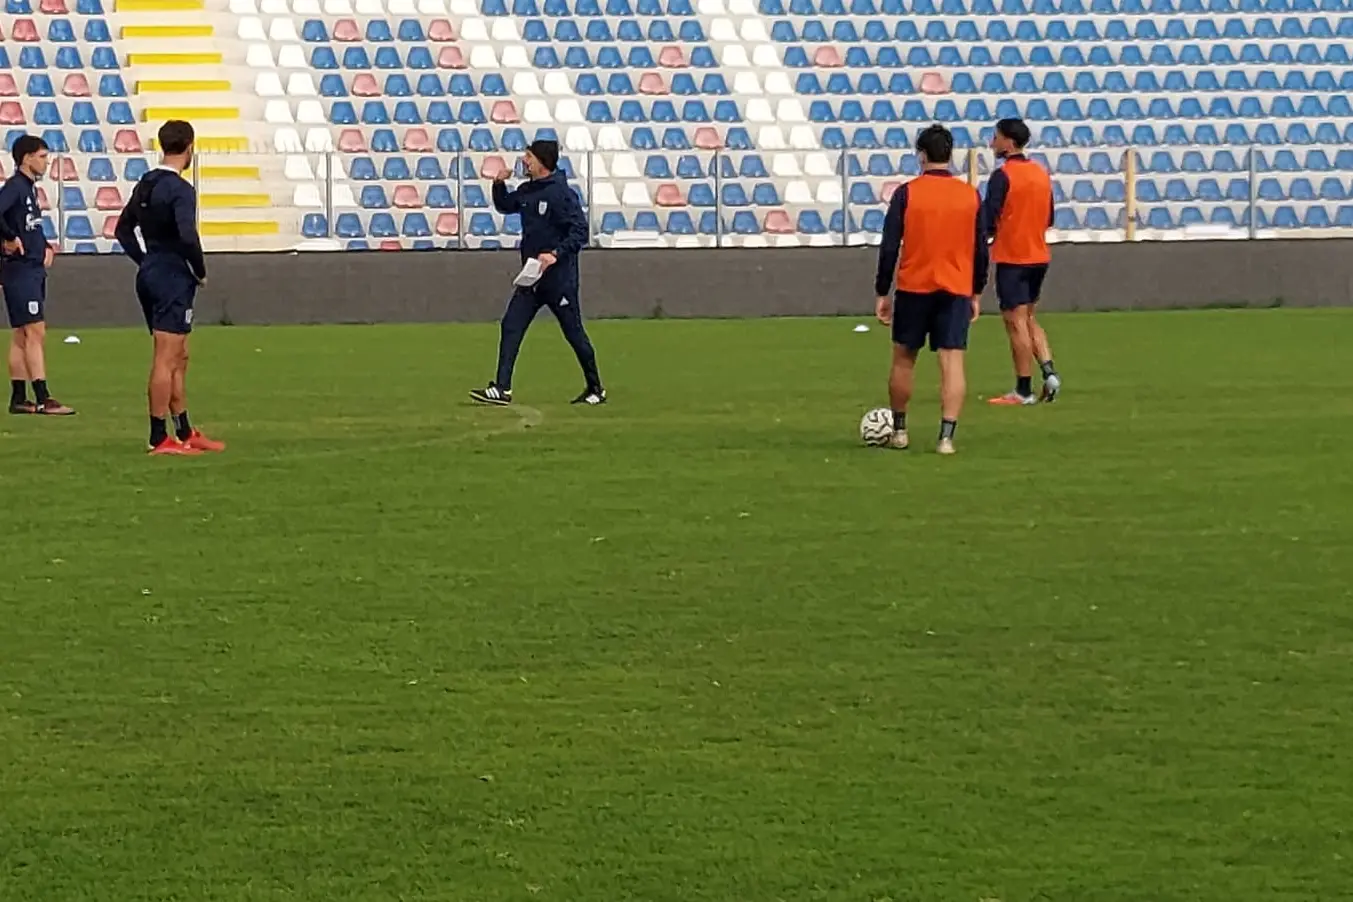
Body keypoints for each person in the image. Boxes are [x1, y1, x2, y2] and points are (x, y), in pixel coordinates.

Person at [873, 124, 988, 456]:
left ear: (921, 155)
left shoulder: (907, 194)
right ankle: (946, 438)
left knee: (904, 359)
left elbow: (890, 246)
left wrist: (883, 290)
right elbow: (981, 248)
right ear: (949, 155)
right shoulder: (969, 195)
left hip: (914, 286)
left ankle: (899, 431)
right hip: (955, 287)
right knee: (952, 362)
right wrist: (976, 291)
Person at [114, 119, 224, 455]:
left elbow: (122, 229)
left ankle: (185, 429)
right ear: (190, 147)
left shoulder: (146, 183)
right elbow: (188, 235)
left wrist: (145, 261)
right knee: (166, 356)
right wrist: (200, 270)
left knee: (179, 354)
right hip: (172, 276)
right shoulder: (180, 189)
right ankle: (158, 436)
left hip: (152, 273)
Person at [469, 139, 606, 407]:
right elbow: (506, 205)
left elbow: (580, 231)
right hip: (532, 277)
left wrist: (555, 254)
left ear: (542, 161)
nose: (524, 160)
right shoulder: (528, 191)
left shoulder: (561, 194)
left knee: (573, 333)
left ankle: (595, 388)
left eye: (529, 156)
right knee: (511, 325)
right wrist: (498, 184)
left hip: (559, 280)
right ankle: (502, 388)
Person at [983, 118, 1062, 405]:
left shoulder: (1003, 176)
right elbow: (1050, 217)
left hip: (1013, 256)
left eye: (996, 137)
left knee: (1014, 322)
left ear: (1009, 142)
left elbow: (987, 221)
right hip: (1039, 255)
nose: (992, 143)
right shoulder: (1040, 173)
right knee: (1028, 317)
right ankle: (1049, 372)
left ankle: (1023, 390)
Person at [1, 134, 75, 416]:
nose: (46, 162)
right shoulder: (16, 187)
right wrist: (9, 238)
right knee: (35, 331)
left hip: (30, 267)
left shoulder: (28, 189)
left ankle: (19, 398)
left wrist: (43, 245)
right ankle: (43, 397)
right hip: (20, 270)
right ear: (27, 158)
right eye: (42, 156)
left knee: (21, 334)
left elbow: (28, 225)